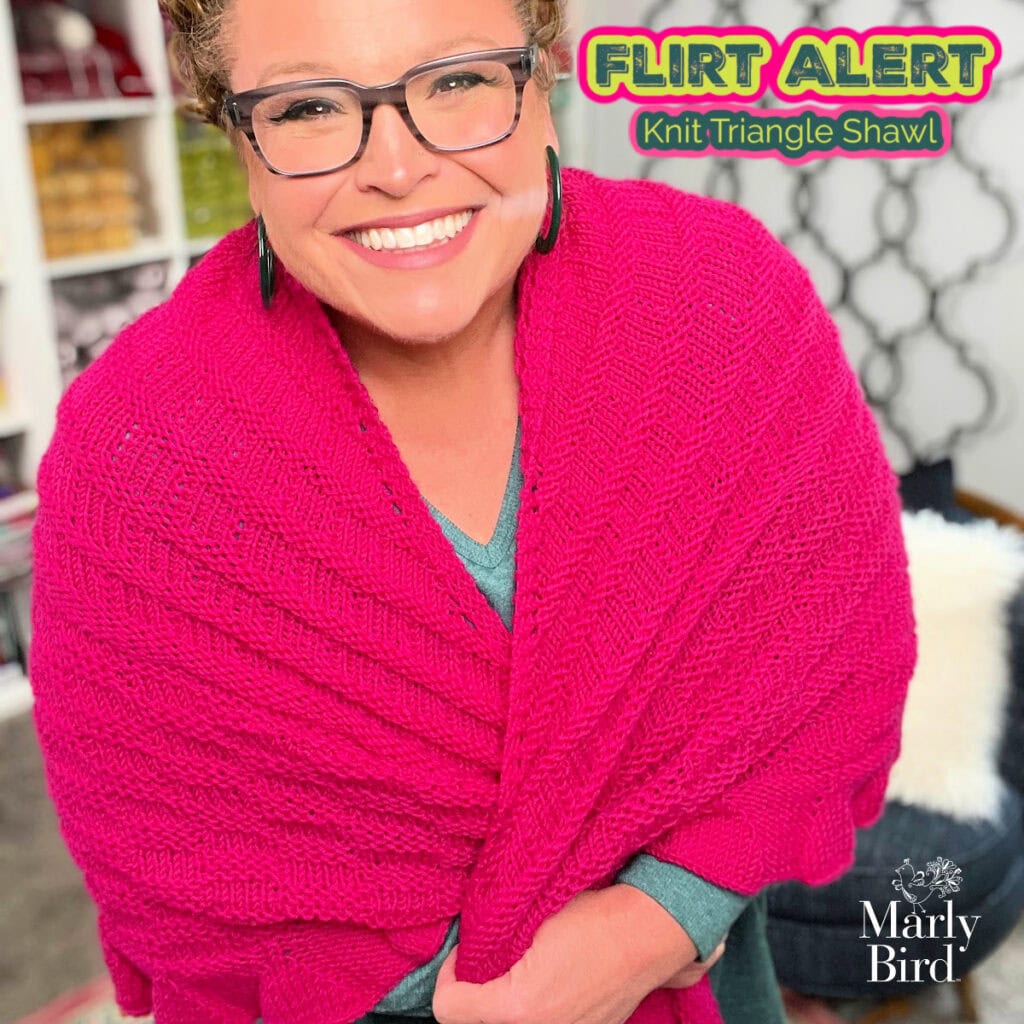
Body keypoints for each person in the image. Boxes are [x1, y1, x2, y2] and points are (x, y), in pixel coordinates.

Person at [27, 2, 917, 1024]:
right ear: (232, 128)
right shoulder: (136, 448)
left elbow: (826, 668)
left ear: (541, 74)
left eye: (457, 81)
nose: (398, 167)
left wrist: (649, 928)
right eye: (310, 106)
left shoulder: (722, 301)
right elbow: (167, 866)